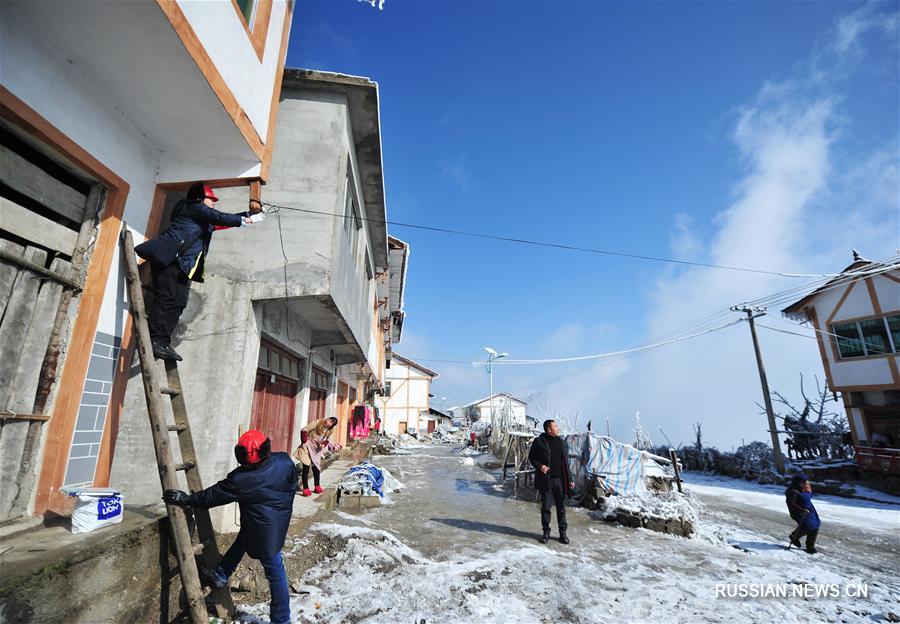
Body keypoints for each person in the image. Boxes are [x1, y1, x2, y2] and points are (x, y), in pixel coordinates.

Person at [162, 430, 296, 624]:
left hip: (265, 530)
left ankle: (282, 620)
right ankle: (221, 574)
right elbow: (293, 482)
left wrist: (187, 499)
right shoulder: (284, 461)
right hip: (278, 520)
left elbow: (212, 496)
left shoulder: (242, 480)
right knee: (245, 538)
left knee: (276, 573)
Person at [135, 182, 262, 361]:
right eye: (211, 199)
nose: (214, 202)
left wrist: (248, 215)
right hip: (170, 259)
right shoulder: (191, 207)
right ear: (199, 199)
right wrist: (248, 220)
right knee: (165, 298)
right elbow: (218, 217)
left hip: (184, 265)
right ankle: (155, 339)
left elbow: (221, 222)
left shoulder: (204, 219)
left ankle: (162, 341)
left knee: (179, 303)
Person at [528, 419, 574, 544]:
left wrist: (570, 479)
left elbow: (566, 463)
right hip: (546, 480)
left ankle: (562, 533)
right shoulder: (539, 441)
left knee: (561, 508)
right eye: (555, 426)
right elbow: (531, 458)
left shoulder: (561, 442)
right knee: (546, 508)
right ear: (549, 429)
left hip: (560, 481)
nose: (558, 428)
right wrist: (540, 466)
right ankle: (546, 532)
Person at [293, 416, 341, 497]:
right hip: (308, 446)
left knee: (316, 468)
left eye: (331, 423)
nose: (328, 422)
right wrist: (304, 441)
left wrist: (323, 444)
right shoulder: (317, 423)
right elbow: (304, 430)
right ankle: (305, 488)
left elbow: (327, 440)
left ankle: (317, 486)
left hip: (316, 449)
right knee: (306, 466)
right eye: (329, 420)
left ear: (332, 425)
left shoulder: (330, 430)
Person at [785, 473, 821, 554]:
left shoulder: (805, 489)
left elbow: (809, 495)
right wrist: (802, 509)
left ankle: (810, 546)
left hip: (810, 510)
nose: (806, 483)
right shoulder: (793, 491)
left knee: (815, 525)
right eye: (803, 482)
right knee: (807, 526)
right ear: (797, 483)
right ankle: (794, 536)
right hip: (799, 512)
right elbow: (791, 503)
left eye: (806, 481)